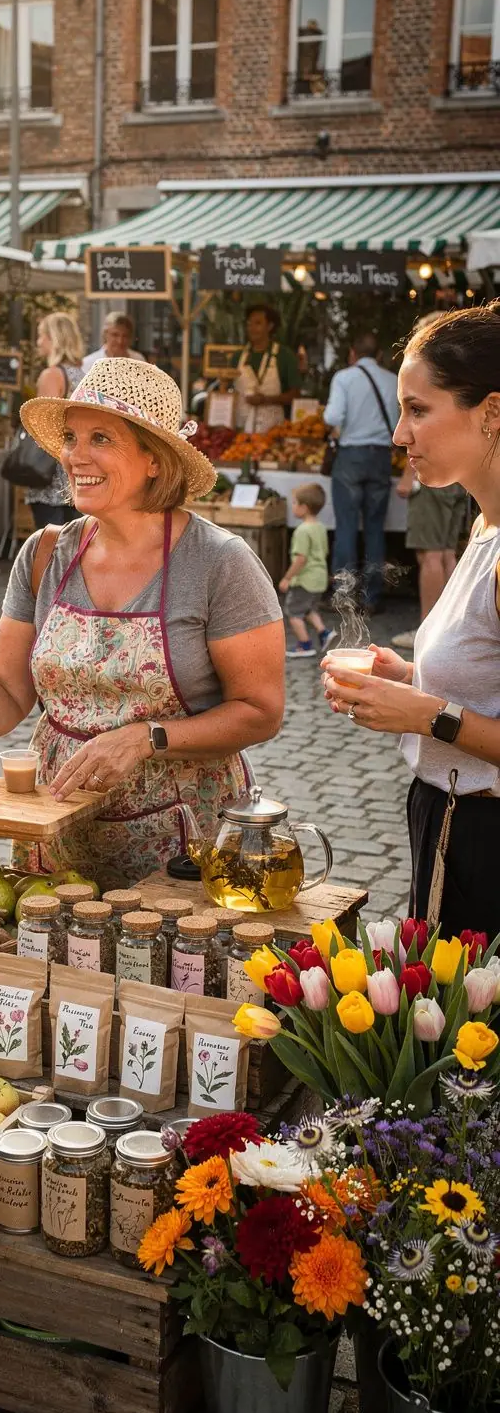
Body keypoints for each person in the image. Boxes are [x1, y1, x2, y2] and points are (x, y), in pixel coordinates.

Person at [0, 357, 285, 890]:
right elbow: (5, 689)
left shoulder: (219, 563)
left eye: (101, 438)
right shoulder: (46, 553)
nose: (75, 456)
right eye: (71, 438)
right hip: (57, 831)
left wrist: (146, 738)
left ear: (155, 458)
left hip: (184, 845)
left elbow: (260, 712)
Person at [322, 304, 500, 940]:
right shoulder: (482, 526)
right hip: (450, 818)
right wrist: (409, 677)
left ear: (492, 411)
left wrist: (426, 714)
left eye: (418, 410)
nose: (400, 435)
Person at [392, 313, 469, 652]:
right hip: (456, 481)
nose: (399, 435)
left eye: (417, 410)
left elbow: (422, 438)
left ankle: (428, 628)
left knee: (432, 555)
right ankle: (450, 628)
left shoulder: (429, 378)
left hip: (435, 483)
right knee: (447, 552)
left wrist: (408, 475)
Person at [323, 331, 399, 612]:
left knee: (346, 527)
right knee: (375, 529)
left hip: (350, 456)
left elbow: (333, 417)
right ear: (379, 355)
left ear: (352, 354)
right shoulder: (392, 380)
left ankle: (343, 596)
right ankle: (372, 597)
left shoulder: (344, 378)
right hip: (381, 457)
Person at [26, 312, 85, 529]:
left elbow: (43, 426)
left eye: (42, 335)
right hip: (73, 471)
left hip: (50, 476)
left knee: (50, 542)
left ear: (54, 339)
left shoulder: (52, 375)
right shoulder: (80, 374)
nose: (38, 342)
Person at [278, 482, 336, 659]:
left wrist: (287, 578)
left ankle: (304, 645)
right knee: (309, 609)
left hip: (305, 580)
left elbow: (301, 559)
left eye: (295, 503)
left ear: (304, 507)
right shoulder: (320, 527)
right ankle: (324, 633)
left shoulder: (302, 531)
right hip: (318, 579)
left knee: (294, 612)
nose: (293, 506)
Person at [233, 304, 302, 435]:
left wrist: (266, 400)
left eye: (257, 323)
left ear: (270, 326)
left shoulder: (284, 356)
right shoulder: (237, 357)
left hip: (274, 432)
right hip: (240, 432)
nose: (251, 328)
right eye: (249, 324)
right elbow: (228, 392)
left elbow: (295, 395)